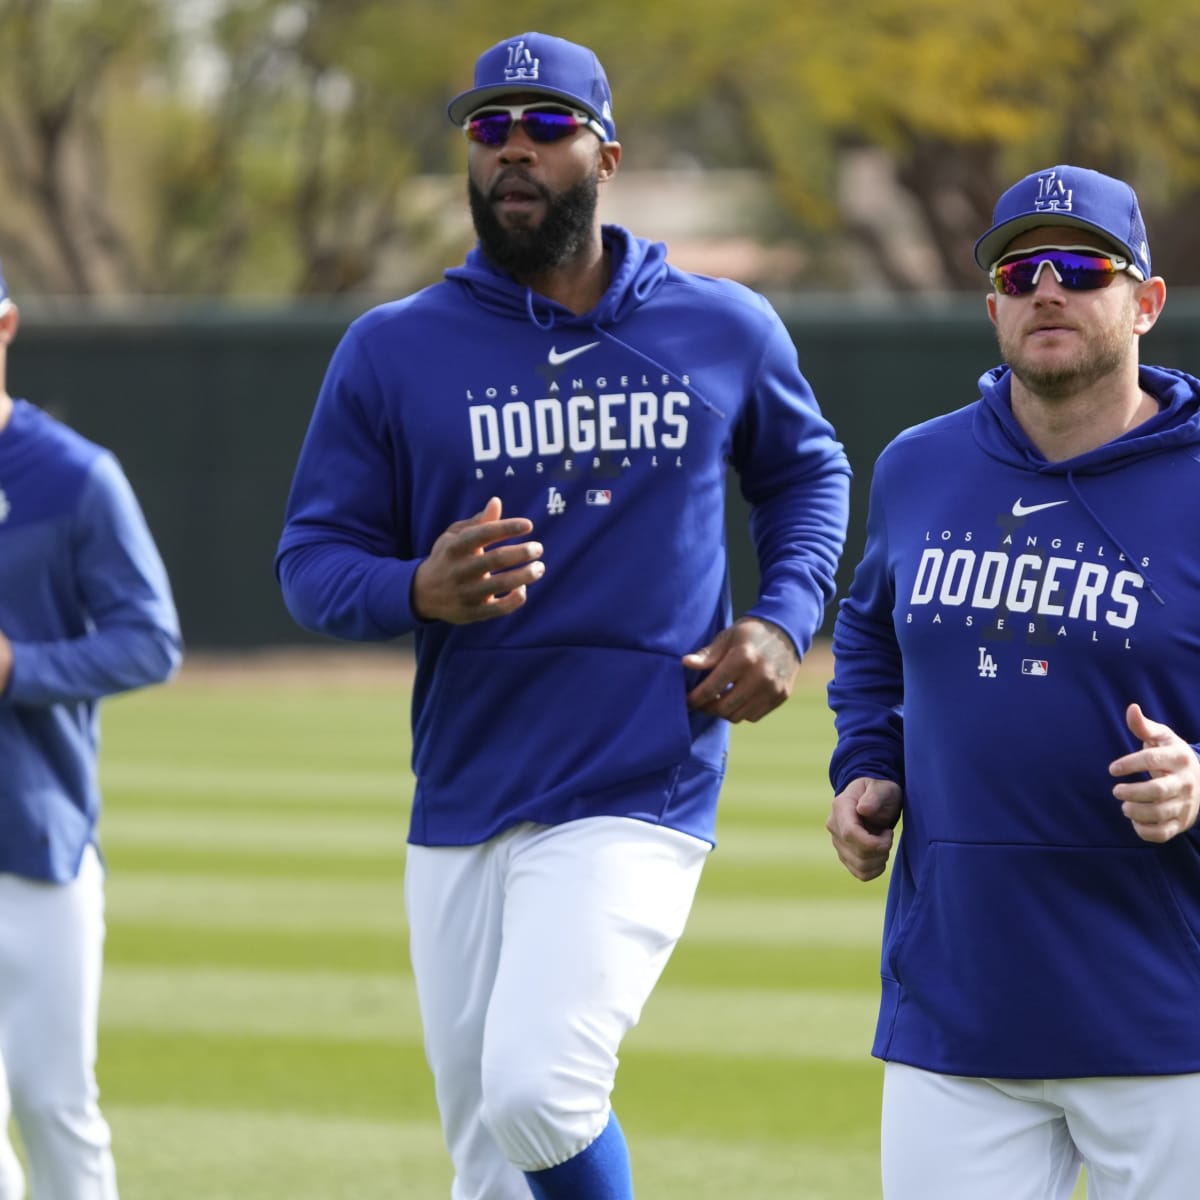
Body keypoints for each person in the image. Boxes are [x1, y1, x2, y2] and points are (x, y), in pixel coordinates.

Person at [275, 29, 850, 1200]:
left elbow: (809, 474)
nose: (515, 151)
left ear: (608, 153)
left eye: (546, 127)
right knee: (491, 1161)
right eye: (490, 129)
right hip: (467, 784)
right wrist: (413, 589)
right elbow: (310, 559)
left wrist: (783, 621)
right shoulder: (392, 350)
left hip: (641, 774)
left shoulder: (722, 326)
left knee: (541, 1090)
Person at [826, 162, 1200, 1199]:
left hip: (1169, 1014)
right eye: (1021, 267)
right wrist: (867, 767)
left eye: (1082, 267)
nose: (1048, 288)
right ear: (992, 302)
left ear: (1146, 301)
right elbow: (868, 641)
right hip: (959, 1010)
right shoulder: (917, 466)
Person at [0, 263, 182, 1198]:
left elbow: (151, 641)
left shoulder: (72, 476)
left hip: (38, 841)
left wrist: (18, 667)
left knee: (52, 1104)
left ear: (6, 326)